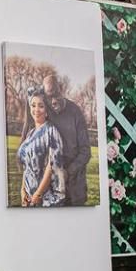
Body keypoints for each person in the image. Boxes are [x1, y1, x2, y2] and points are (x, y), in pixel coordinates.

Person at [43, 75, 92, 206]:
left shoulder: (76, 112)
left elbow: (86, 152)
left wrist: (67, 172)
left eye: (56, 94)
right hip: (51, 190)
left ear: (62, 89)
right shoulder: (45, 112)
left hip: (75, 189)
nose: (53, 101)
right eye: (49, 96)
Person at [17, 90, 66, 208]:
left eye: (41, 106)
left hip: (46, 199)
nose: (36, 110)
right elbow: (26, 167)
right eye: (33, 105)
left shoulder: (51, 131)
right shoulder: (30, 134)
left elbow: (52, 166)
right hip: (29, 198)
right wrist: (22, 190)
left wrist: (38, 194)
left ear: (47, 110)